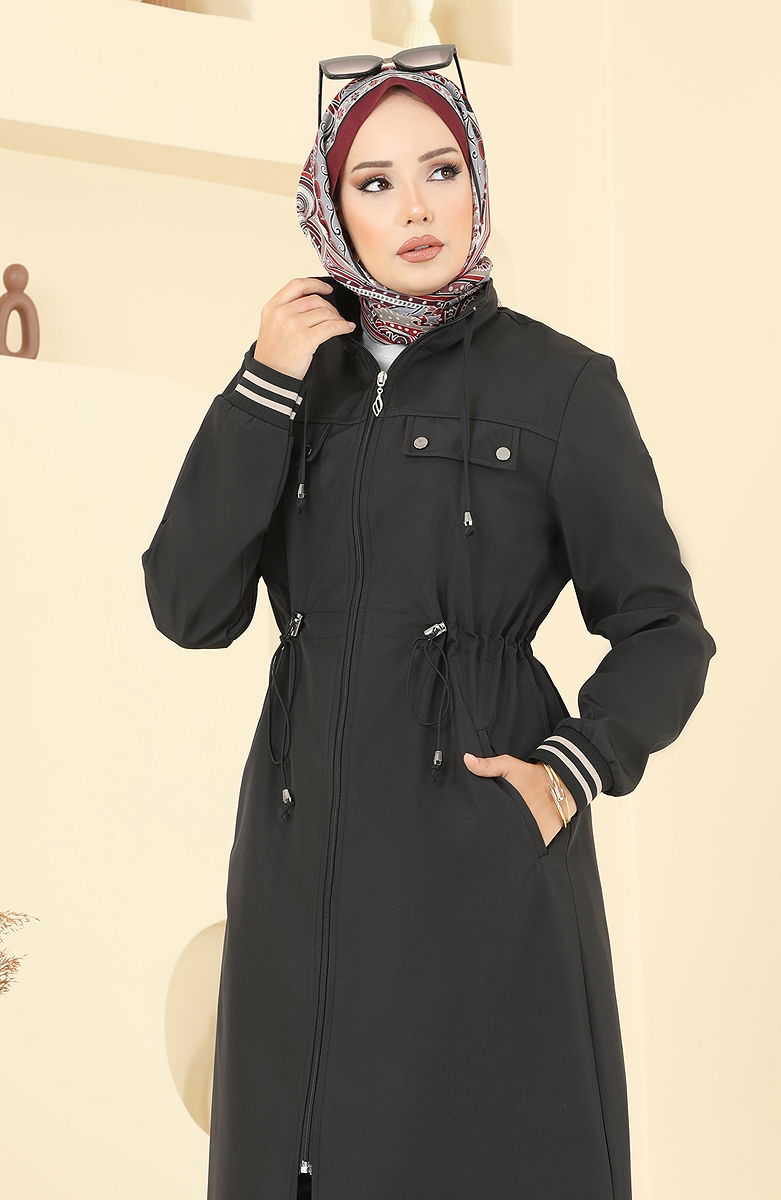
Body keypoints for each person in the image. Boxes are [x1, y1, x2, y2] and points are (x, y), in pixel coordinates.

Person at [141, 55, 716, 1200]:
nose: (414, 207)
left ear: (476, 183)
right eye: (374, 182)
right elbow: (189, 606)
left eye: (439, 171)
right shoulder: (295, 385)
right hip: (298, 853)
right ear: (329, 209)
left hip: (477, 853)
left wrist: (569, 768)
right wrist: (263, 381)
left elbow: (662, 627)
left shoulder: (560, 386)